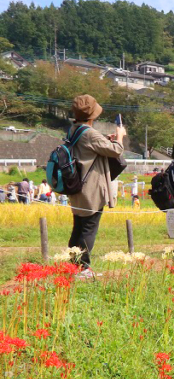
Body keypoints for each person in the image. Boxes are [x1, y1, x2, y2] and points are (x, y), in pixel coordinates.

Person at [66, 94, 125, 277]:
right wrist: (120, 137)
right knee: (88, 228)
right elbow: (117, 150)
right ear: (93, 115)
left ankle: (72, 265)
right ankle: (83, 268)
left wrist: (106, 139)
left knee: (79, 226)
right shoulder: (90, 133)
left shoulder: (73, 129)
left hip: (76, 187)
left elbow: (92, 148)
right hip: (90, 189)